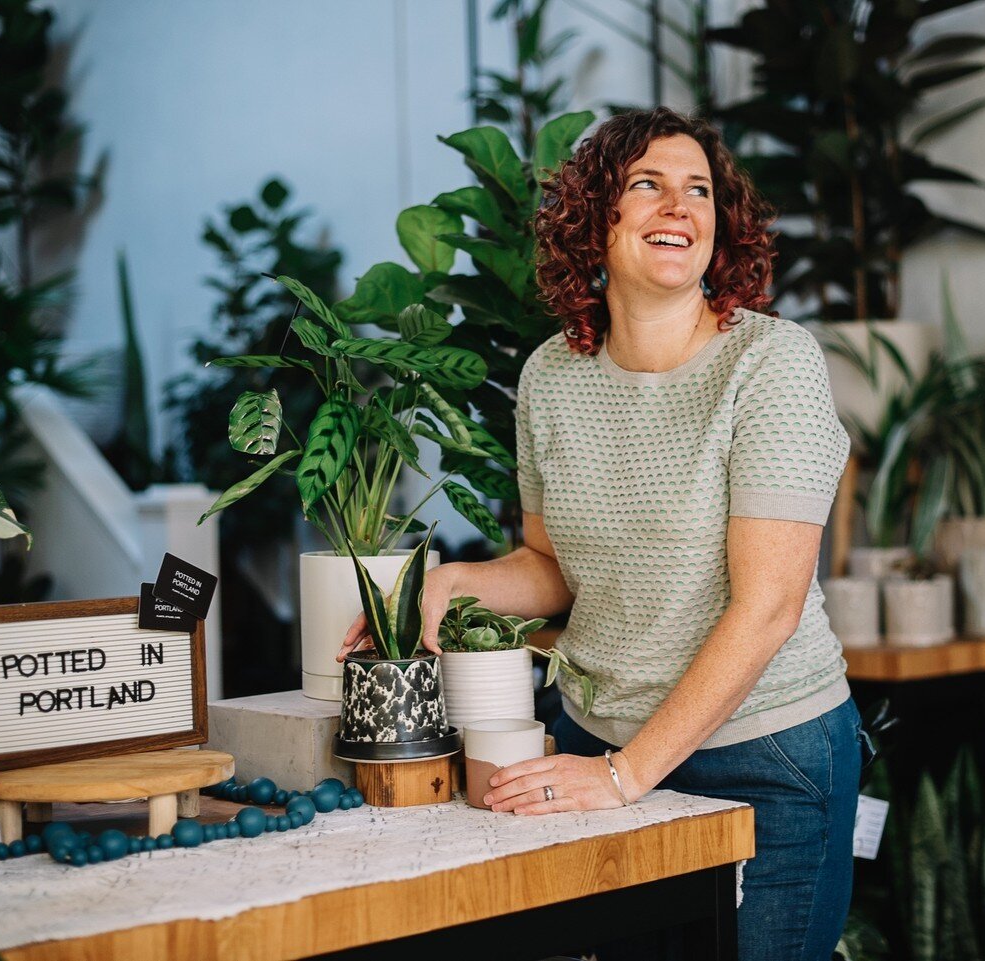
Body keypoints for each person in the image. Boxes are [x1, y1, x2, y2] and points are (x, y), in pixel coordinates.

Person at [340, 106, 862, 961]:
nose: (679, 206)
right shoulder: (550, 376)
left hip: (765, 755)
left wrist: (625, 776)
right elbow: (553, 567)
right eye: (647, 184)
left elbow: (766, 608)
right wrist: (442, 585)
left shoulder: (772, 362)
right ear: (597, 220)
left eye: (699, 191)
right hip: (598, 738)